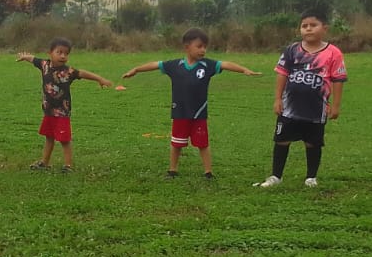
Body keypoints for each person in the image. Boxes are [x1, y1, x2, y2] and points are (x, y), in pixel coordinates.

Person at [123, 27, 261, 179]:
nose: (203, 50)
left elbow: (225, 64)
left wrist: (244, 70)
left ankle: (208, 172)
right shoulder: (175, 65)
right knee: (177, 143)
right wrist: (136, 69)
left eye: (205, 47)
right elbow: (156, 64)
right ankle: (172, 170)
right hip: (180, 112)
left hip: (199, 114)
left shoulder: (207, 65)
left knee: (203, 144)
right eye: (199, 46)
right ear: (187, 47)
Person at [253, 10, 347, 189]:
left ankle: (311, 177)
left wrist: (335, 105)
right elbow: (282, 74)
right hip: (289, 108)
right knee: (281, 140)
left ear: (324, 28)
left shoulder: (333, 53)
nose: (308, 29)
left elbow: (338, 79)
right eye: (304, 26)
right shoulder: (292, 50)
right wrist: (277, 99)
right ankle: (276, 176)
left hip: (316, 109)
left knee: (313, 143)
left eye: (313, 25)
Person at [16, 38, 113, 172]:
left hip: (62, 112)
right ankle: (44, 163)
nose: (63, 56)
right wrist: (24, 57)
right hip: (48, 112)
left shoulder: (68, 72)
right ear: (50, 53)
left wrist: (100, 79)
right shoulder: (44, 65)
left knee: (64, 140)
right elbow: (33, 59)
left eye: (66, 53)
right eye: (59, 52)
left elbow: (83, 73)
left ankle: (68, 166)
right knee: (49, 137)